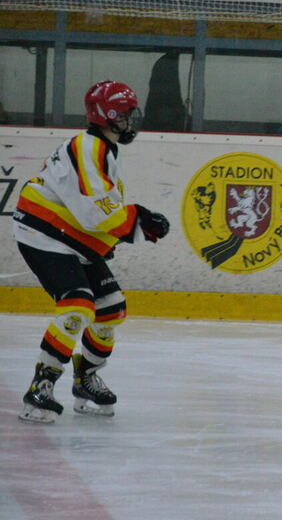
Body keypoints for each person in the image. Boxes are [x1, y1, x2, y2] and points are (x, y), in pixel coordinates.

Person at [13, 81, 170, 423]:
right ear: (106, 115)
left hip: (66, 233)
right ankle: (41, 386)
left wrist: (126, 228)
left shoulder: (103, 149)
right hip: (42, 233)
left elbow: (93, 210)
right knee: (77, 306)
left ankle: (85, 379)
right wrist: (140, 220)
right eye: (125, 115)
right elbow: (96, 214)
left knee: (111, 309)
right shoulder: (88, 148)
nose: (130, 121)